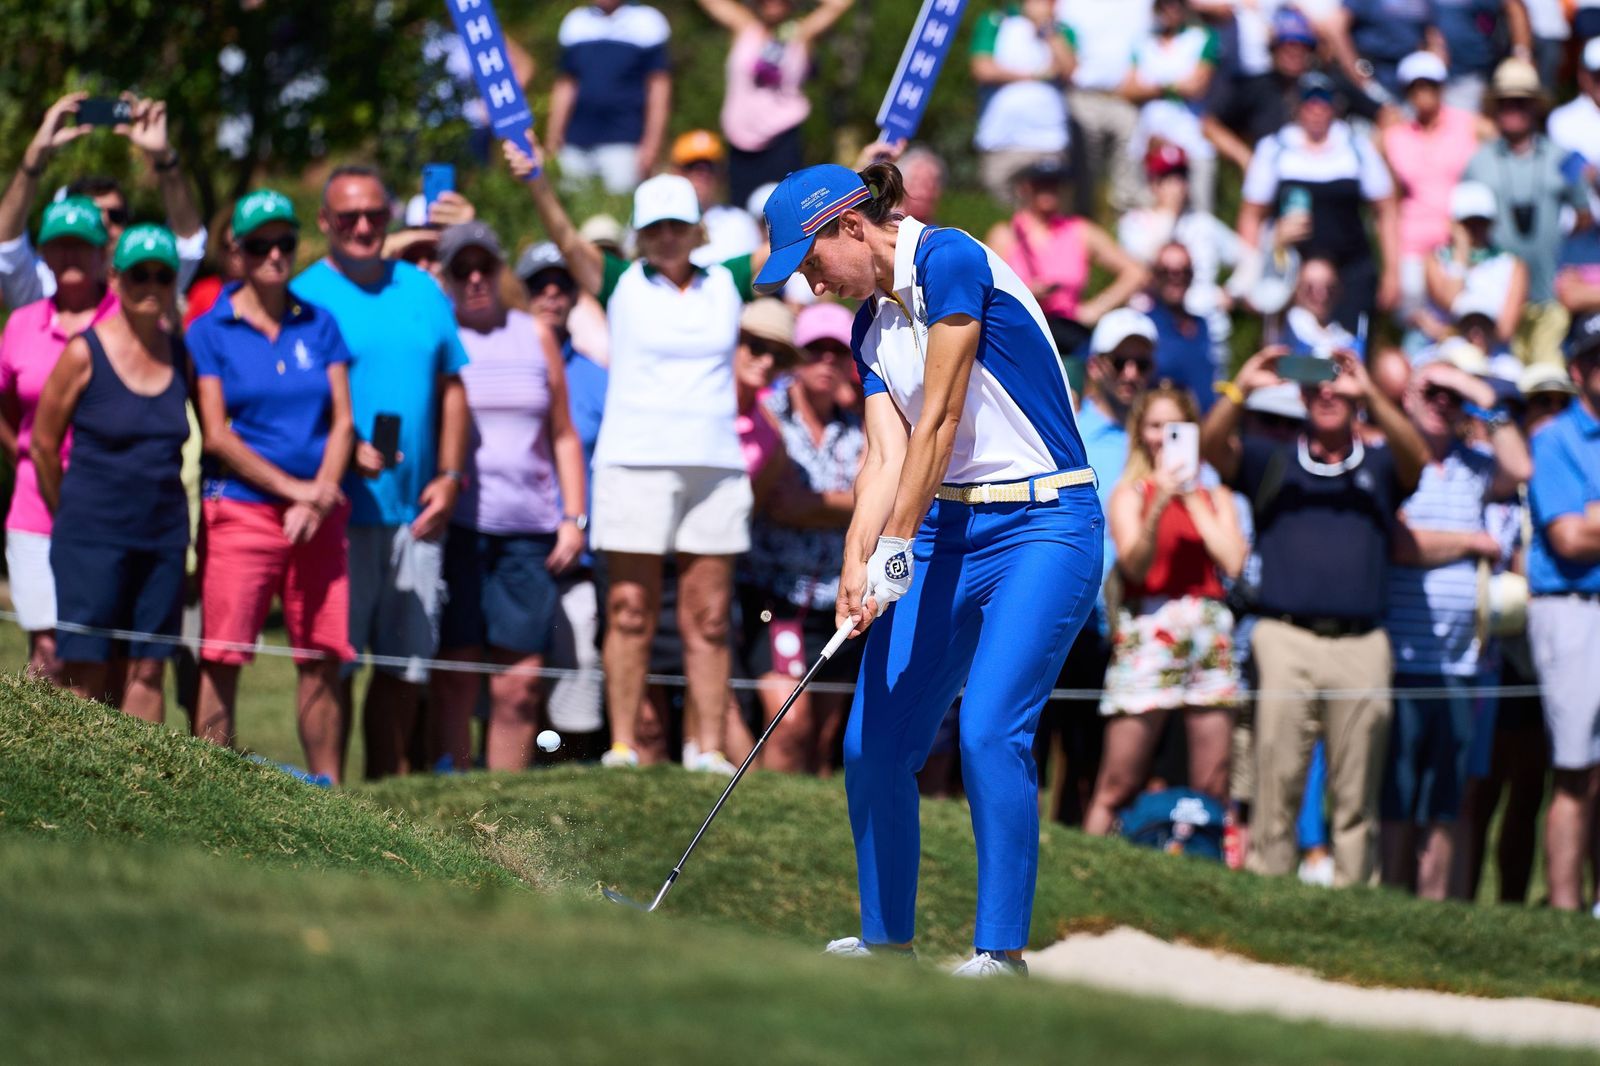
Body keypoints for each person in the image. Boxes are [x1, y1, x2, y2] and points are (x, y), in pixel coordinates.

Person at [754, 161, 1102, 975]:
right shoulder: (867, 323)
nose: (809, 283)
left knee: (988, 728)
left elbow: (940, 417)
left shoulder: (950, 260)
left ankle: (1001, 954)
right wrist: (856, 563)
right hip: (947, 525)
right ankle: (886, 943)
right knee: (873, 741)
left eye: (809, 261)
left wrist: (896, 543)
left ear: (848, 224)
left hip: (1045, 523)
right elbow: (883, 454)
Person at [507, 140, 769, 775]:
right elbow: (567, 237)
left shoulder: (728, 280)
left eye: (678, 226)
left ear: (698, 229)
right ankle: (622, 746)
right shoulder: (620, 280)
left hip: (713, 466)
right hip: (632, 464)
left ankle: (705, 750)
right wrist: (539, 180)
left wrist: (867, 174)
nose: (667, 238)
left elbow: (792, 239)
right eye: (654, 228)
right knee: (629, 610)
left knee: (708, 618)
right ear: (639, 234)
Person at [1202, 345, 1428, 886]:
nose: (1326, 395)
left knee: (1356, 793)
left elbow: (1417, 459)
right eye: (1314, 386)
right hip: (1285, 640)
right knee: (1276, 783)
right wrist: (1244, 387)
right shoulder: (1271, 459)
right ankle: (1268, 898)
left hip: (1362, 645)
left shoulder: (1377, 463)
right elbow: (1212, 446)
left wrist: (1370, 392)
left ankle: (1352, 906)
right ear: (1299, 395)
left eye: (1336, 383)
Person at [291, 166, 470, 780]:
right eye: (348, 217)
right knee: (330, 664)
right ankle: (324, 799)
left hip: (415, 513)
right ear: (326, 223)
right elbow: (287, 401)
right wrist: (341, 450)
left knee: (403, 670)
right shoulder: (304, 295)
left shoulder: (422, 291)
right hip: (338, 512)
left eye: (374, 214)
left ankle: (386, 804)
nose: (363, 226)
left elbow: (452, 387)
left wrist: (450, 475)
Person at [184, 190, 355, 779]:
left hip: (319, 512)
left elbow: (343, 420)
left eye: (284, 241)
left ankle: (331, 799)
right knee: (222, 655)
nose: (275, 255)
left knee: (322, 657)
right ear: (237, 253)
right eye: (260, 245)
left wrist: (320, 493)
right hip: (241, 509)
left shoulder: (320, 321)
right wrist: (296, 491)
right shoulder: (211, 330)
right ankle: (214, 788)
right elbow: (217, 435)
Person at [429, 223, 588, 772]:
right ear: (445, 277)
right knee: (455, 675)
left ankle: (500, 804)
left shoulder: (534, 335)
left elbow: (563, 433)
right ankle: (451, 799)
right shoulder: (439, 333)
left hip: (529, 529)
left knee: (518, 684)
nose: (474, 279)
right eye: (460, 270)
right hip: (460, 527)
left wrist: (574, 517)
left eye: (484, 267)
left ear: (500, 272)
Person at [1381, 355, 1531, 899]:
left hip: (1462, 664)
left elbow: (1521, 468)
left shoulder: (1475, 465)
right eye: (1432, 392)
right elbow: (1400, 545)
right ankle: (1391, 902)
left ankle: (1431, 910)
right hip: (1402, 659)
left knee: (1446, 802)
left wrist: (1475, 389)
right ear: (1408, 399)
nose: (1442, 402)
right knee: (1397, 799)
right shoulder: (1394, 464)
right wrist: (1470, 543)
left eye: (1450, 397)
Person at [30, 225, 191, 723]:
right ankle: (83, 788)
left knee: (147, 668)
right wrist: (72, 517)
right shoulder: (84, 352)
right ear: (115, 279)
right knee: (86, 668)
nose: (150, 286)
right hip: (91, 536)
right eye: (138, 274)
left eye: (161, 276)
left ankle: (143, 790)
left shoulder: (181, 354)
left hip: (161, 538)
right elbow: (42, 445)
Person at [1084, 384, 1246, 834]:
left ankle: (1208, 867)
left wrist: (1192, 494)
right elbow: (1135, 562)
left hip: (1208, 629)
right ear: (1141, 433)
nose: (1164, 437)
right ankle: (1089, 868)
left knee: (1213, 785)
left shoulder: (1218, 497)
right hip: (1150, 628)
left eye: (1175, 427)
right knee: (1118, 782)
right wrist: (1160, 500)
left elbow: (1233, 560)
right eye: (1155, 426)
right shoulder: (1129, 494)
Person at [741, 300, 865, 774]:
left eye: (838, 352)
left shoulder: (860, 425)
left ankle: (799, 841)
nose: (827, 362)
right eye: (815, 350)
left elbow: (878, 498)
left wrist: (816, 505)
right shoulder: (768, 414)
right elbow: (780, 504)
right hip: (774, 597)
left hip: (837, 603)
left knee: (824, 741)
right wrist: (854, 503)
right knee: (788, 724)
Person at [0, 199, 116, 683]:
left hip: (108, 499)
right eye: (59, 245)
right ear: (43, 253)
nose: (70, 256)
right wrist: (23, 453)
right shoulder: (22, 323)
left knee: (99, 648)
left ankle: (104, 758)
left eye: (81, 245)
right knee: (48, 649)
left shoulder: (124, 317)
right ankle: (35, 757)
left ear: (101, 253)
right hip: (35, 503)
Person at [518, 241, 610, 751]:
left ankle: (570, 767)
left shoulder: (599, 378)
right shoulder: (499, 364)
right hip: (511, 543)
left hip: (578, 553)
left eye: (562, 286)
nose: (551, 295)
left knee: (578, 664)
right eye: (538, 286)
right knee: (509, 673)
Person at [0, 92, 206, 310]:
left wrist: (164, 158)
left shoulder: (150, 283)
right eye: (92, 216)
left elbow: (188, 241)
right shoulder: (43, 288)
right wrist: (35, 155)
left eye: (116, 216)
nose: (105, 224)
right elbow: (6, 245)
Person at [1525, 311, 1600, 913]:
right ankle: (1566, 911)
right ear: (1578, 371)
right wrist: (1587, 521)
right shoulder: (1553, 439)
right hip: (1572, 611)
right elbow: (1570, 538)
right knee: (1574, 770)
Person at [1238, 73, 1400, 331]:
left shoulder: (1356, 147)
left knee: (1345, 355)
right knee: (1292, 356)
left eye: (1323, 99)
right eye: (1308, 100)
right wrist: (1249, 274)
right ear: (1297, 105)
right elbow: (1252, 214)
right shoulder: (1275, 149)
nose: (1316, 108)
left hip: (1349, 271)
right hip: (1290, 269)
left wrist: (1392, 271)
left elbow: (1385, 209)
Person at [1463, 58, 1590, 368]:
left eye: (1521, 101)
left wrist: (1567, 253)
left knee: (1548, 375)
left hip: (1551, 299)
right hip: (1497, 300)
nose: (1513, 109)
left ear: (1535, 106)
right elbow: (1461, 227)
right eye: (1506, 102)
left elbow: (1585, 216)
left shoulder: (1565, 157)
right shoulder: (1478, 162)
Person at [695, 0, 854, 206]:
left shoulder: (800, 33)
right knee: (742, 213)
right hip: (739, 145)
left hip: (781, 142)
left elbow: (838, 5)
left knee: (784, 212)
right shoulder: (744, 28)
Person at [983, 159, 1147, 344]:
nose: (1048, 192)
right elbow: (986, 289)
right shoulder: (1006, 234)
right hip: (1018, 332)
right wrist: (1025, 293)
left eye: (1054, 185)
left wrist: (1095, 308)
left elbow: (1135, 272)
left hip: (1067, 333)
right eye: (1041, 185)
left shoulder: (1080, 231)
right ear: (1025, 188)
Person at [1380, 52, 1490, 328]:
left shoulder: (1468, 124)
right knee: (1417, 323)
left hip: (1459, 241)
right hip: (1413, 243)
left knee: (1465, 316)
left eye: (1429, 85)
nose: (1423, 93)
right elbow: (1388, 202)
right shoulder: (1395, 136)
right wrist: (1391, 266)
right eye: (1415, 87)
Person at [1118, 143, 1245, 368]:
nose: (1177, 184)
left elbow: (1247, 258)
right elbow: (1147, 265)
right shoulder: (1134, 224)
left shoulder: (1203, 224)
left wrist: (1231, 291)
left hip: (1206, 330)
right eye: (1167, 177)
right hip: (1155, 332)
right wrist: (1169, 213)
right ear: (1153, 183)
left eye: (1181, 175)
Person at [548, 0, 672, 194]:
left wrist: (652, 144)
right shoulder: (574, 23)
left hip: (625, 139)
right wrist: (553, 136)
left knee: (620, 214)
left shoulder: (648, 22)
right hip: (576, 141)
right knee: (575, 209)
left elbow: (658, 88)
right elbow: (566, 84)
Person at [969, 0, 1077, 202]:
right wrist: (1035, 75)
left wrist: (1047, 29)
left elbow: (1068, 69)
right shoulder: (995, 21)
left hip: (1048, 142)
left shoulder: (1062, 30)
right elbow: (982, 68)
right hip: (1001, 142)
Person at [1121, 0, 1220, 214]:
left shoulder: (1202, 38)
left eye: (1176, 4)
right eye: (1165, 4)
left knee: (1198, 214)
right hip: (1148, 141)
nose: (1171, 9)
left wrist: (1152, 86)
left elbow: (1197, 87)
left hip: (1190, 140)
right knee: (1145, 212)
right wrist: (1174, 85)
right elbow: (1128, 89)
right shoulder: (1143, 41)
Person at [1058, 0, 1154, 214]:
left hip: (1127, 98)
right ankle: (1080, 225)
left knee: (1131, 170)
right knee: (1082, 174)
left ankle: (1130, 227)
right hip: (1081, 95)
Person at [1420, 182, 1528, 349]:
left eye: (1481, 222)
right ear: (1454, 224)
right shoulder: (1435, 260)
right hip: (1446, 351)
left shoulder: (1512, 264)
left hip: (1492, 353)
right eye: (1468, 223)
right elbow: (1449, 302)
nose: (1476, 230)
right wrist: (1461, 252)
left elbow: (1505, 329)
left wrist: (1459, 333)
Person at [1137, 242, 1218, 411]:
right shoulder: (1140, 326)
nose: (1176, 277)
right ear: (1153, 276)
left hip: (1205, 431)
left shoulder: (1203, 326)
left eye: (1184, 271)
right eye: (1165, 272)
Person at [670, 130, 764, 267]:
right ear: (675, 172)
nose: (701, 174)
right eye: (691, 166)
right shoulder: (657, 223)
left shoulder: (741, 223)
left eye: (709, 166)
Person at [1547, 39, 1600, 213]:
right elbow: (1570, 175)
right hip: (1579, 221)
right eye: (1598, 76)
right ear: (1583, 76)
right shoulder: (1562, 120)